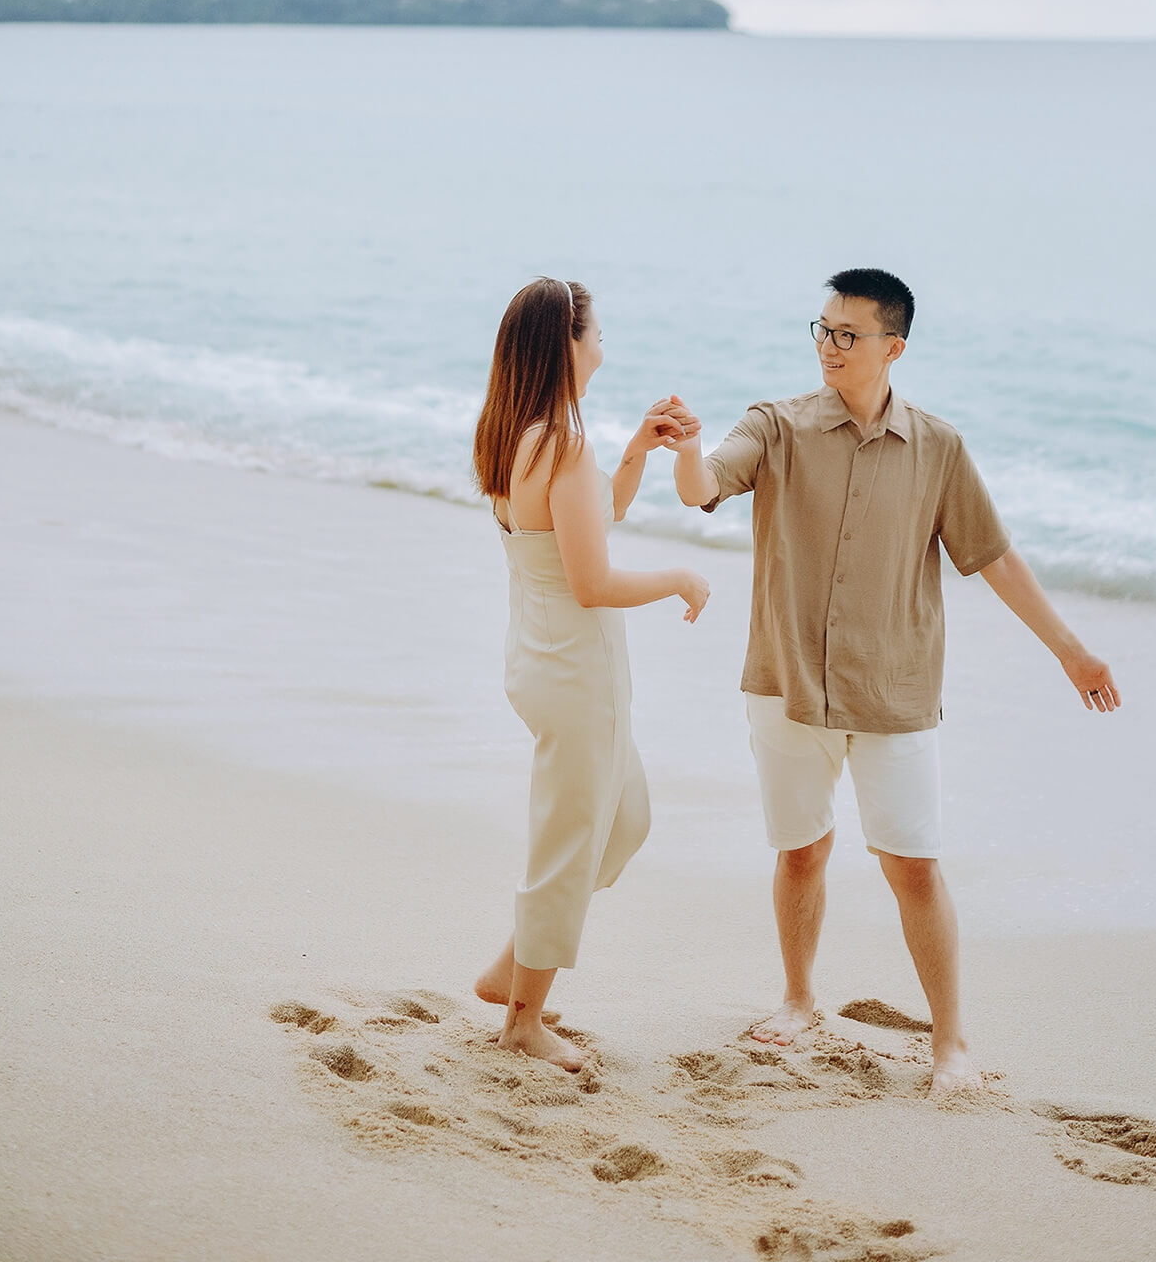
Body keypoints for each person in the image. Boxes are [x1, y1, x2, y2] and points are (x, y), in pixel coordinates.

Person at [670, 266, 1120, 1096]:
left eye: (849, 335)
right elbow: (703, 487)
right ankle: (799, 999)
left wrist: (1071, 651)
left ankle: (950, 1042)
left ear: (894, 347)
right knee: (801, 850)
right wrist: (686, 447)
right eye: (823, 330)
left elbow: (993, 557)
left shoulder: (939, 448)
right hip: (787, 679)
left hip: (895, 689)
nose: (830, 347)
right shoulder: (774, 425)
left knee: (913, 863)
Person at [471, 276, 710, 1071]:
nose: (604, 342)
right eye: (596, 330)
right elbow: (592, 582)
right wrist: (679, 578)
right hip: (577, 669)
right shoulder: (561, 443)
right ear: (567, 343)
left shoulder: (518, 432)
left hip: (542, 657)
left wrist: (639, 451)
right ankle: (522, 1021)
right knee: (571, 841)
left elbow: (585, 521)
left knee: (624, 819)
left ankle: (513, 965)